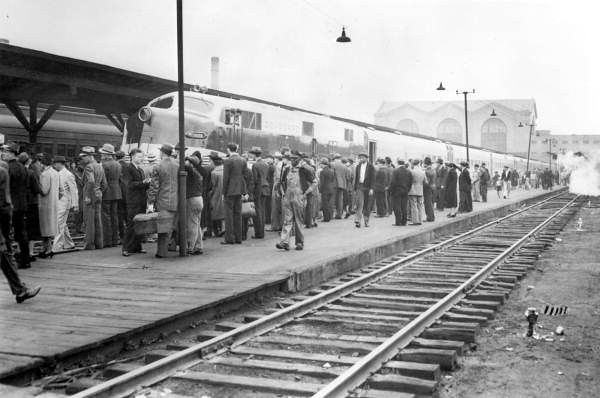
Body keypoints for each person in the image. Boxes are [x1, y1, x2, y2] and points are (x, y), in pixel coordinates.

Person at [276, 150, 316, 251]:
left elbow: (315, 182)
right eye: (291, 158)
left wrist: (306, 193)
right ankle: (284, 241)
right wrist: (283, 193)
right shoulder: (287, 169)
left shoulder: (305, 169)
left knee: (298, 220)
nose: (292, 160)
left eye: (295, 159)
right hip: (288, 196)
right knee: (287, 220)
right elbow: (281, 181)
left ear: (300, 159)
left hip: (299, 195)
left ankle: (299, 242)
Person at [2, 142, 31, 268]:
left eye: (6, 152)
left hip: (10, 205)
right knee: (21, 233)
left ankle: (9, 261)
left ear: (12, 153)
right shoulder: (23, 168)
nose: (3, 154)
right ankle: (25, 259)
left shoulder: (6, 168)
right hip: (22, 204)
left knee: (6, 233)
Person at [147, 144, 179, 257]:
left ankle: (161, 252)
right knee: (173, 226)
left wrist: (150, 202)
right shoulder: (178, 164)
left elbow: (154, 187)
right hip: (176, 200)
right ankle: (173, 246)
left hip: (163, 201)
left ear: (162, 153)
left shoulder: (158, 166)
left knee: (163, 227)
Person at [122, 148, 150, 257]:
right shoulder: (128, 168)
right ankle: (126, 248)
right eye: (139, 156)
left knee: (139, 224)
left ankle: (137, 247)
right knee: (131, 224)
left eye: (142, 156)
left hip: (141, 200)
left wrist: (147, 183)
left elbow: (139, 185)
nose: (141, 158)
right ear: (132, 157)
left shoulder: (140, 169)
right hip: (133, 201)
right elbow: (129, 184)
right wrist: (143, 182)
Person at [80, 146, 107, 250]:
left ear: (90, 156)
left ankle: (89, 245)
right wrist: (99, 192)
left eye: (84, 156)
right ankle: (99, 244)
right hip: (98, 195)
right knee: (98, 220)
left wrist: (88, 196)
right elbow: (105, 184)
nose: (83, 159)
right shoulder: (100, 166)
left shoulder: (89, 167)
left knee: (89, 221)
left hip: (90, 196)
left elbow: (90, 181)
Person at [222, 143, 248, 245]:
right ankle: (239, 238)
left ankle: (229, 239)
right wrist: (244, 190)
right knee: (238, 214)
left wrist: (223, 192)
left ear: (228, 150)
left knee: (229, 215)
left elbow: (226, 178)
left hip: (230, 191)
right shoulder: (243, 160)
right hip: (239, 190)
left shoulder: (228, 161)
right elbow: (245, 176)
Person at [52, 156, 79, 252]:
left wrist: (75, 204)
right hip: (59, 202)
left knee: (59, 223)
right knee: (62, 224)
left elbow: (74, 190)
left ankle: (57, 247)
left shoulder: (68, 175)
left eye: (55, 163)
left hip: (64, 203)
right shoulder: (58, 173)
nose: (54, 165)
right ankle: (69, 243)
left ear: (60, 163)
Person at [19, 153, 42, 259]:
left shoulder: (14, 170)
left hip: (19, 203)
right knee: (31, 228)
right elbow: (37, 189)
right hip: (31, 203)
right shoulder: (31, 173)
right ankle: (30, 252)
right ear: (28, 161)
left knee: (20, 227)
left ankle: (20, 251)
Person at [100, 143, 122, 248]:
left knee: (106, 217)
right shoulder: (118, 164)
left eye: (102, 153)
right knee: (114, 216)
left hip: (107, 192)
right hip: (116, 192)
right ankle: (115, 240)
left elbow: (102, 181)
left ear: (106, 154)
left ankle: (107, 241)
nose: (101, 155)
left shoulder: (104, 165)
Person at [38, 153, 60, 257]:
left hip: (45, 204)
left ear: (42, 163)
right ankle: (48, 249)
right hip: (54, 203)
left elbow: (44, 190)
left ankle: (46, 250)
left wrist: (37, 187)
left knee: (45, 228)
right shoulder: (55, 173)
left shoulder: (45, 174)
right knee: (50, 228)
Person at [184, 155, 204, 255]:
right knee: (196, 223)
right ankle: (199, 246)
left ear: (191, 163)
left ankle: (190, 247)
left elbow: (186, 166)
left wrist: (185, 157)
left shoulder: (191, 172)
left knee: (191, 224)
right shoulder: (197, 173)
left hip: (192, 199)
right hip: (199, 199)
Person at [249, 146, 269, 239]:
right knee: (262, 211)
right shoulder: (265, 164)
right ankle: (262, 233)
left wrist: (250, 192)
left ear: (254, 155)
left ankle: (258, 234)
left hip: (258, 190)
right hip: (265, 189)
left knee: (257, 212)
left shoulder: (255, 165)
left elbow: (254, 180)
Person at [353, 152, 375, 228]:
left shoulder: (371, 166)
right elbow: (356, 178)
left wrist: (372, 188)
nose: (361, 159)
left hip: (368, 187)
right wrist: (355, 188)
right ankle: (358, 220)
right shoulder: (358, 166)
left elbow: (373, 178)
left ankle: (366, 221)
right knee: (360, 204)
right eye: (360, 158)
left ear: (366, 158)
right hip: (360, 186)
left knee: (367, 205)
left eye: (362, 157)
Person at [389, 159, 412, 226]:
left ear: (398, 163)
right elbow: (410, 182)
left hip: (396, 191)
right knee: (404, 207)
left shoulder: (396, 171)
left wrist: (391, 190)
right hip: (405, 191)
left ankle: (398, 222)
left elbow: (393, 182)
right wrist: (408, 190)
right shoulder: (408, 171)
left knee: (397, 207)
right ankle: (404, 221)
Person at [209, 152, 225, 237]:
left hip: (216, 194)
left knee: (214, 212)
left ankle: (216, 231)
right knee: (223, 212)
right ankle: (223, 228)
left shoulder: (214, 172)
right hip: (224, 194)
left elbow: (213, 185)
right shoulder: (225, 170)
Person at [408, 159, 426, 225]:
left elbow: (409, 181)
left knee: (414, 206)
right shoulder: (423, 172)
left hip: (412, 190)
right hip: (420, 190)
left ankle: (415, 221)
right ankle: (420, 220)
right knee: (420, 206)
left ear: (413, 164)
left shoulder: (411, 172)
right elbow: (425, 182)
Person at [269, 151, 284, 232]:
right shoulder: (283, 165)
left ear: (276, 159)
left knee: (275, 207)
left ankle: (275, 226)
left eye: (274, 158)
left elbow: (278, 179)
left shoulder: (278, 166)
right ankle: (280, 225)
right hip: (281, 189)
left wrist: (276, 190)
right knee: (281, 208)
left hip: (277, 188)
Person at [116, 150, 128, 241]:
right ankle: (129, 233)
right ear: (124, 157)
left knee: (119, 214)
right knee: (128, 213)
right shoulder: (128, 166)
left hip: (118, 192)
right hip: (127, 192)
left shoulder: (117, 165)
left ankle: (121, 234)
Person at [318, 158, 335, 222]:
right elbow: (333, 180)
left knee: (325, 204)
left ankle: (326, 218)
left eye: (320, 164)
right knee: (329, 204)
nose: (320, 165)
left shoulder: (322, 172)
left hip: (325, 189)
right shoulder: (331, 171)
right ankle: (330, 216)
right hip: (331, 188)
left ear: (323, 164)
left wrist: (320, 190)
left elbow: (321, 182)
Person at [331, 154, 347, 219]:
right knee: (340, 200)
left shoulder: (332, 164)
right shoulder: (344, 166)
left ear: (334, 158)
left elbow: (331, 174)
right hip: (342, 184)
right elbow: (346, 175)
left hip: (334, 184)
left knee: (332, 199)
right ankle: (339, 214)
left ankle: (331, 215)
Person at [423, 157, 436, 222]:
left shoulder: (428, 171)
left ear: (425, 163)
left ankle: (430, 217)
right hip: (432, 187)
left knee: (428, 203)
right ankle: (431, 216)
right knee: (430, 202)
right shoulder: (432, 169)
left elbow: (426, 181)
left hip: (428, 188)